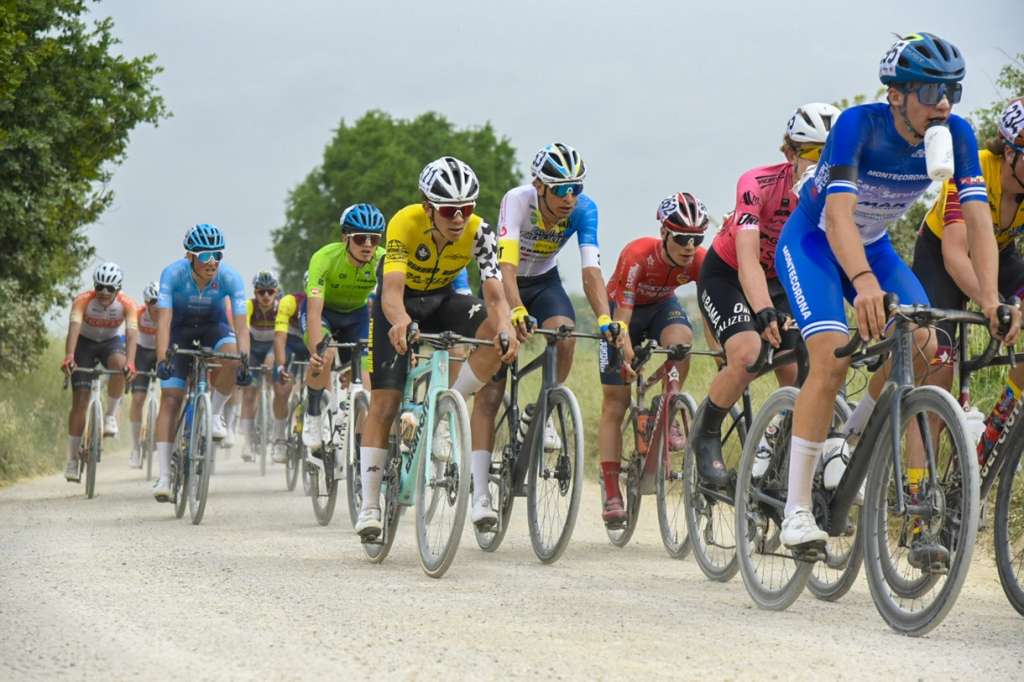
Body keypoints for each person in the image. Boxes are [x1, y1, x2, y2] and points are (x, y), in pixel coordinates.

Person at [774, 33, 1017, 567]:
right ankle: (796, 510)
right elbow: (837, 217)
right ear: (896, 95)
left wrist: (994, 298)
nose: (945, 102)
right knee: (830, 357)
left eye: (952, 88)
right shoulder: (857, 125)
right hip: (815, 241)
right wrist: (861, 281)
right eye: (931, 89)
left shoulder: (953, 132)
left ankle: (848, 439)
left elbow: (978, 222)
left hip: (875, 246)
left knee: (926, 345)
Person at [356, 156, 518, 537]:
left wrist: (506, 328)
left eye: (466, 208)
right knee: (385, 402)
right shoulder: (404, 223)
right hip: (401, 305)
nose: (459, 218)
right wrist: (400, 322)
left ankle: (450, 404)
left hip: (444, 301)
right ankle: (369, 504)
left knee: (493, 335)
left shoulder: (480, 231)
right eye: (449, 210)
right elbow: (391, 292)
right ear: (429, 208)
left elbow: (496, 298)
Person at [692, 103, 840, 487]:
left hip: (783, 276)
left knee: (798, 371)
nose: (822, 163)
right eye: (812, 154)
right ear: (790, 153)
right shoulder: (756, 184)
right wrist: (762, 310)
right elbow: (747, 259)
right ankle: (706, 435)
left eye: (832, 154)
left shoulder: (838, 192)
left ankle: (778, 456)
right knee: (748, 354)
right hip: (729, 273)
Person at [914, 96, 1024, 465]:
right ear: (1009, 152)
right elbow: (955, 255)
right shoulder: (974, 167)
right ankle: (918, 495)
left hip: (999, 251)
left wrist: (1015, 305)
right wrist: (990, 302)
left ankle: (989, 437)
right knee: (940, 366)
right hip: (940, 254)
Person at [597, 192, 708, 525]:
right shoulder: (637, 255)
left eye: (697, 238)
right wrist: (626, 354)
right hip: (624, 312)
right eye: (682, 238)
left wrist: (722, 352)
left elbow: (709, 309)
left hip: (661, 308)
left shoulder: (700, 260)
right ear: (664, 233)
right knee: (615, 403)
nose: (690, 246)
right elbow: (624, 317)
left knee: (683, 341)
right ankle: (613, 490)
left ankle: (666, 408)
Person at [151, 224, 251, 501]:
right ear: (190, 256)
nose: (213, 262)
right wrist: (162, 359)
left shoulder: (230, 277)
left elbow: (242, 328)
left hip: (213, 327)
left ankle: (215, 413)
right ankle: (164, 476)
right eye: (205, 255)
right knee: (171, 398)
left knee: (230, 356)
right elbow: (164, 320)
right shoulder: (172, 274)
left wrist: (245, 361)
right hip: (179, 330)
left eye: (217, 255)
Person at [301, 203, 386, 459]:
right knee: (323, 357)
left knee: (367, 379)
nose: (367, 245)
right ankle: (314, 412)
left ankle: (361, 444)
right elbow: (314, 312)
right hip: (324, 311)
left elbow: (390, 303)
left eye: (374, 239)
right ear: (345, 238)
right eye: (360, 238)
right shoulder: (324, 258)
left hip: (356, 316)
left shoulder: (383, 260)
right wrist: (317, 349)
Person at [60, 263, 139, 482]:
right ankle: (73, 460)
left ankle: (111, 415)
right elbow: (73, 330)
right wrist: (70, 356)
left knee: (120, 365)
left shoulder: (128, 304)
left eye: (110, 289)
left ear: (118, 289)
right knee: (80, 403)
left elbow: (132, 335)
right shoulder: (83, 300)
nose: (104, 292)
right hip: (84, 344)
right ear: (95, 285)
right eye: (100, 287)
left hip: (110, 343)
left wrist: (131, 362)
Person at [238, 270, 290, 464]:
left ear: (276, 292)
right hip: (253, 349)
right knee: (249, 393)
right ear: (255, 293)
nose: (266, 296)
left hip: (273, 347)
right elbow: (242, 331)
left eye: (270, 292)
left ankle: (278, 436)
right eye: (261, 292)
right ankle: (248, 441)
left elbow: (282, 337)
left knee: (279, 389)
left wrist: (272, 357)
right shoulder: (249, 306)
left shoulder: (281, 308)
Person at [127, 281, 160, 468]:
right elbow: (129, 337)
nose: (157, 306)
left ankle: (157, 429)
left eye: (160, 302)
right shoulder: (138, 314)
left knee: (171, 396)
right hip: (142, 353)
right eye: (153, 302)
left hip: (162, 352)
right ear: (146, 303)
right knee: (138, 398)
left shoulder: (169, 314)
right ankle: (135, 448)